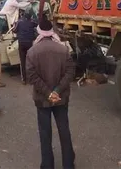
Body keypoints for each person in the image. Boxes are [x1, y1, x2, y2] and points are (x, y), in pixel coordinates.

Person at [26, 19, 75, 169]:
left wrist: (48, 93)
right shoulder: (63, 49)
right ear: (52, 31)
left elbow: (31, 75)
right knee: (64, 130)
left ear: (39, 31)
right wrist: (57, 91)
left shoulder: (32, 52)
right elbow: (70, 72)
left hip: (42, 99)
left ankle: (47, 165)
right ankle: (68, 165)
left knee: (45, 133)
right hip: (61, 98)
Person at [13, 12, 37, 85]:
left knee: (22, 62)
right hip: (29, 44)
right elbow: (38, 25)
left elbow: (14, 30)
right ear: (30, 17)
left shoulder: (19, 22)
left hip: (22, 44)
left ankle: (24, 79)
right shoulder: (32, 23)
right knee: (31, 61)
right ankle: (31, 79)